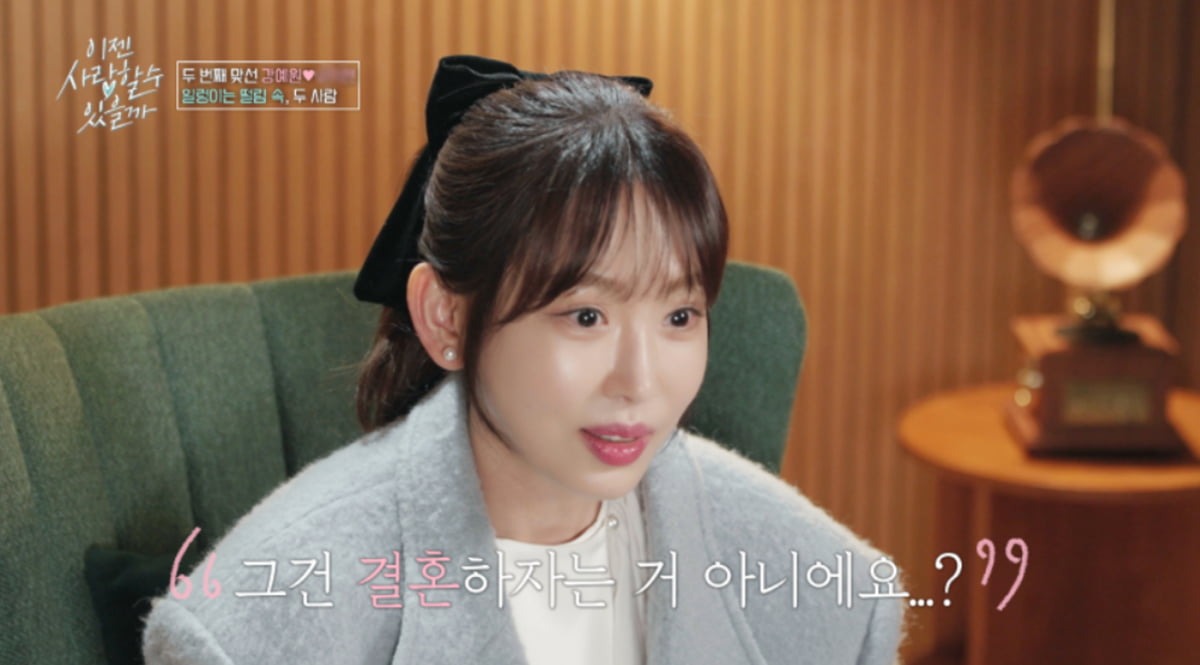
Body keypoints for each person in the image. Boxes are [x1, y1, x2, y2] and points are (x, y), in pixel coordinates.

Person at [142, 55, 905, 665]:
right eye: (586, 316)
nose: (640, 382)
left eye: (679, 316)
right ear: (445, 316)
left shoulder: (829, 592)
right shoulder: (253, 624)